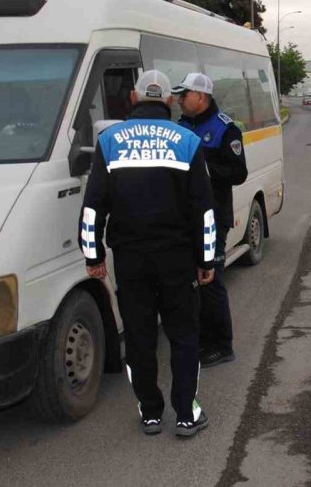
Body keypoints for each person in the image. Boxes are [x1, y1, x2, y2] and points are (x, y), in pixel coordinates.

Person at [79, 69, 216, 438]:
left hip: (130, 259)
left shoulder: (109, 141)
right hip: (177, 258)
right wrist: (206, 260)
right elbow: (204, 210)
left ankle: (151, 412)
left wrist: (93, 256)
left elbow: (93, 206)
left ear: (135, 99)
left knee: (139, 336)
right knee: (184, 334)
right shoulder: (187, 140)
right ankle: (186, 413)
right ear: (170, 101)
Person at [173, 72, 248, 369]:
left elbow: (238, 173)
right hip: (183, 218)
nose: (179, 99)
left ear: (200, 97)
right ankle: (200, 338)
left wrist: (201, 168)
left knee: (211, 281)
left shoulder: (224, 130)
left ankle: (221, 345)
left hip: (214, 218)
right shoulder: (179, 127)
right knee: (191, 282)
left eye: (184, 95)